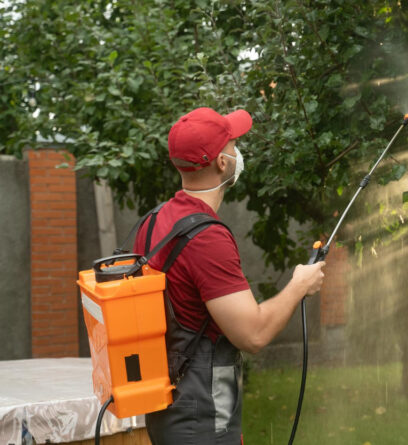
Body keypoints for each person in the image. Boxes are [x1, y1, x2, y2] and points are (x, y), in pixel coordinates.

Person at [134, 107, 326, 444]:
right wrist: (299, 285)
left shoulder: (154, 221)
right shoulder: (206, 238)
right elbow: (253, 335)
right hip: (200, 419)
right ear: (222, 162)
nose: (239, 152)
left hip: (170, 410)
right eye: (234, 144)